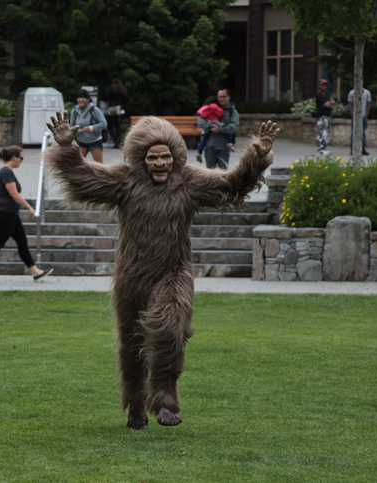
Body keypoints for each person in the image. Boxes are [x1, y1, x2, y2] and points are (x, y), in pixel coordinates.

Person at [46, 110, 278, 429]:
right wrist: (67, 149)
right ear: (141, 158)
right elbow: (82, 180)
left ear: (175, 157)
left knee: (170, 329)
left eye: (165, 157)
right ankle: (136, 407)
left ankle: (166, 402)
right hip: (131, 277)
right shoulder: (124, 181)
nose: (159, 164)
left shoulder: (190, 182)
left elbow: (232, 186)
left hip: (174, 271)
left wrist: (257, 154)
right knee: (132, 345)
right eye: (153, 158)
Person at [0, 146, 52, 284]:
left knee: (22, 242)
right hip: (6, 213)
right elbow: (14, 194)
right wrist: (30, 207)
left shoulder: (7, 172)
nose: (21, 161)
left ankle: (35, 271)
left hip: (10, 213)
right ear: (14, 158)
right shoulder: (6, 172)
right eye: (21, 158)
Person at [197, 88, 239, 170]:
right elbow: (200, 121)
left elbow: (234, 126)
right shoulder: (211, 107)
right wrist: (212, 125)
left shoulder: (232, 112)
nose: (221, 99)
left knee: (223, 172)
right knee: (209, 172)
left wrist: (220, 129)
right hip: (210, 146)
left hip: (224, 147)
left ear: (229, 97)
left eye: (224, 97)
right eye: (220, 97)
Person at [70, 89, 107, 163]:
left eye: (83, 98)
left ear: (88, 99)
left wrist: (91, 128)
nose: (81, 100)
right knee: (79, 164)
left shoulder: (94, 109)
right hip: (81, 141)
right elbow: (71, 126)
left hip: (95, 140)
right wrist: (75, 130)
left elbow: (103, 123)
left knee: (99, 165)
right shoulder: (74, 111)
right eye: (79, 98)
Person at [103, 77, 129, 148]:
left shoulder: (111, 87)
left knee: (110, 126)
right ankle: (119, 141)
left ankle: (116, 140)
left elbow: (106, 97)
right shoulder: (122, 89)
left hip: (112, 108)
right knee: (118, 126)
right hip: (120, 109)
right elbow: (126, 99)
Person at [348, 87, 371, 156]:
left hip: (363, 116)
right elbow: (350, 104)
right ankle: (353, 149)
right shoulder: (352, 92)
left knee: (363, 132)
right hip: (355, 116)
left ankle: (363, 148)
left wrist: (366, 114)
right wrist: (352, 114)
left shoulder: (367, 93)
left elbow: (368, 104)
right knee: (354, 132)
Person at [315, 79, 336, 156]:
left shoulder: (326, 94)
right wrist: (329, 102)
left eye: (325, 85)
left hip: (327, 116)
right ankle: (320, 148)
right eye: (322, 85)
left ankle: (324, 147)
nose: (324, 87)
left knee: (326, 132)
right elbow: (326, 104)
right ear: (319, 86)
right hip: (322, 117)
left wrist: (330, 102)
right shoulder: (319, 95)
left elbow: (333, 102)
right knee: (322, 132)